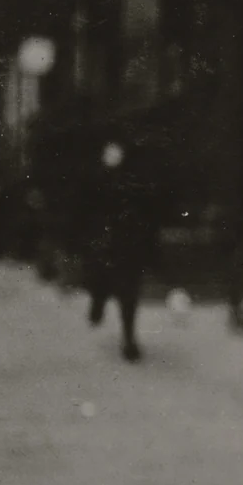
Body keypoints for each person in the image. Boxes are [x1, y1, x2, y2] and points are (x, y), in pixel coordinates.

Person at [80, 132, 160, 362]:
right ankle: (98, 302)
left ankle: (129, 338)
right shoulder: (94, 179)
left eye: (117, 152)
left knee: (129, 292)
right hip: (102, 243)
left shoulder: (134, 181)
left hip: (127, 245)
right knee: (99, 282)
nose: (113, 156)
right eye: (109, 152)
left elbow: (146, 214)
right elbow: (84, 212)